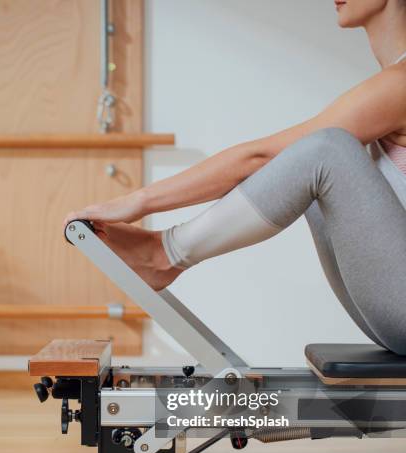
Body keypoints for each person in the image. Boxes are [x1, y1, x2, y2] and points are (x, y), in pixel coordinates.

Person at [65, 0, 406, 354]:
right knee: (322, 174)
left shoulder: (400, 83)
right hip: (394, 310)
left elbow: (261, 157)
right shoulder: (392, 80)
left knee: (327, 151)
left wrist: (138, 200)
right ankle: (162, 251)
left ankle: (164, 253)